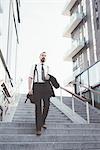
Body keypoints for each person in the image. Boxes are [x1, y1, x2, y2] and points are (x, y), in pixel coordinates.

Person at [28, 51, 56, 135]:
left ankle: (43, 120)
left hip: (46, 86)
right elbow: (30, 77)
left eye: (45, 56)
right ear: (39, 57)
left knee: (47, 105)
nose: (43, 57)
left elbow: (50, 77)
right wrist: (30, 89)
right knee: (38, 107)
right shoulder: (35, 66)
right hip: (37, 86)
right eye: (42, 55)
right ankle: (38, 128)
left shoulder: (48, 67)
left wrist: (49, 77)